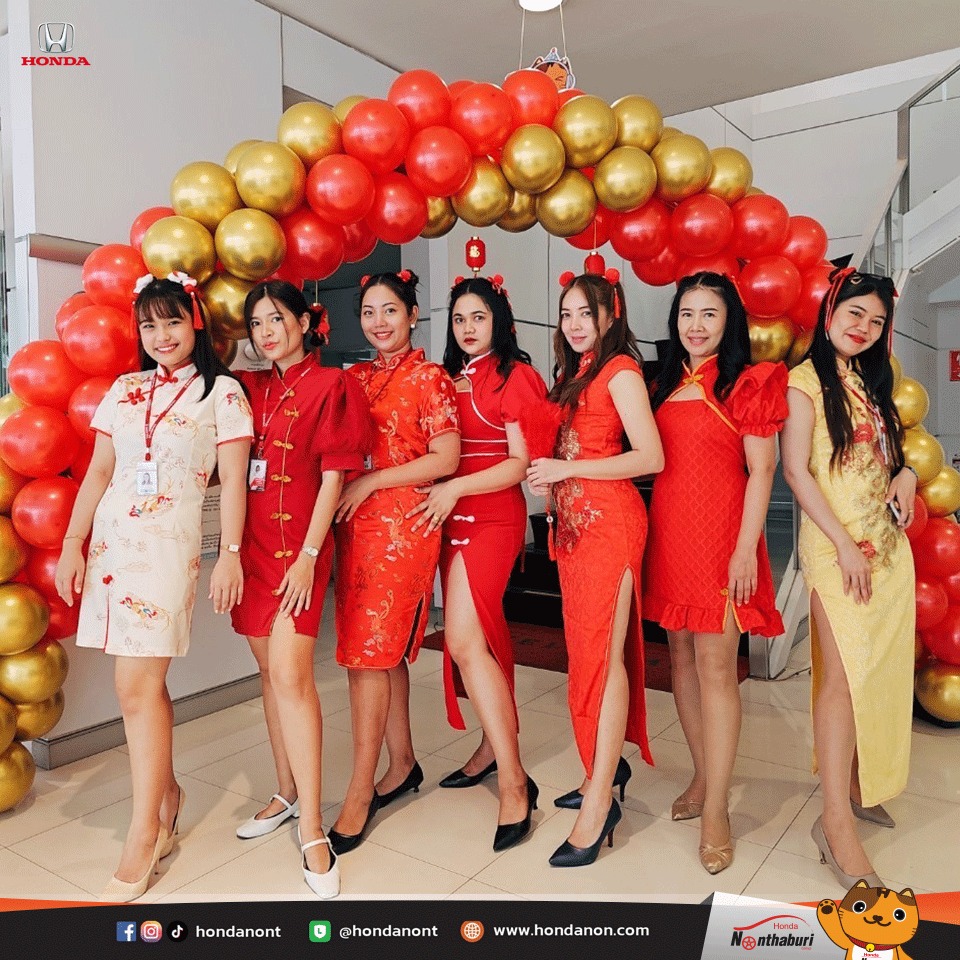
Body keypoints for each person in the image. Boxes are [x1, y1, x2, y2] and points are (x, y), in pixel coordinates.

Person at [54, 274, 253, 902]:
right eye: (149, 325)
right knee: (141, 685)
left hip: (167, 553)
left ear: (195, 322)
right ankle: (166, 797)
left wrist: (231, 556)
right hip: (113, 550)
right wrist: (71, 543)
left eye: (172, 321)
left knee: (135, 687)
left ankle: (145, 832)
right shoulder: (124, 389)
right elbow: (99, 472)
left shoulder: (223, 393)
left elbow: (234, 481)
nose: (161, 336)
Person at [229, 281, 371, 899]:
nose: (267, 333)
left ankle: (312, 826)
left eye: (277, 319)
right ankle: (285, 791)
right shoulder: (247, 388)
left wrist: (311, 557)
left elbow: (335, 478)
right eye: (257, 323)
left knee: (292, 675)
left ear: (305, 323)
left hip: (299, 553)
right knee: (269, 674)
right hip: (252, 552)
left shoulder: (333, 385)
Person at [645, 271, 787, 875]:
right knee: (679, 656)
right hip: (669, 537)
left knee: (716, 668)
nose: (696, 325)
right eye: (687, 313)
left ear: (729, 322)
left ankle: (717, 811)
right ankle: (703, 777)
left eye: (709, 314)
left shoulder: (747, 383)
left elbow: (763, 472)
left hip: (722, 539)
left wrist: (744, 548)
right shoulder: (664, 381)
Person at [408, 274, 555, 851]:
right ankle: (493, 748)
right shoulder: (447, 378)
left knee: (465, 640)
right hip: (450, 518)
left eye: (479, 317)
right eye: (459, 319)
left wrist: (455, 488)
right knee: (486, 641)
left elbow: (520, 463)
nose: (468, 328)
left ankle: (515, 781)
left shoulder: (515, 376)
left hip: (492, 519)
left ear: (499, 321)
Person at [780, 268, 916, 886]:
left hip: (888, 551)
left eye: (877, 321)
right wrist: (843, 546)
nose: (864, 327)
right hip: (838, 553)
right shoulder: (803, 382)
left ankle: (861, 787)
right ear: (830, 311)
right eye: (855, 312)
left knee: (877, 675)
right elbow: (796, 472)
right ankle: (834, 822)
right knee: (839, 680)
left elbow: (890, 458)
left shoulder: (869, 382)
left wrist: (906, 475)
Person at [527, 269, 664, 867]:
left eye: (586, 312)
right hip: (575, 529)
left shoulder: (621, 371)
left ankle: (600, 800)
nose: (575, 324)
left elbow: (650, 456)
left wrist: (567, 471)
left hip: (610, 525)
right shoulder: (576, 373)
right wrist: (550, 472)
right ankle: (599, 772)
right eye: (567, 314)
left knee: (603, 659)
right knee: (587, 657)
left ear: (612, 315)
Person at [331, 269, 460, 855]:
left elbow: (446, 458)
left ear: (412, 315)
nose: (379, 322)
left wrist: (374, 480)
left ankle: (359, 792)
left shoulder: (430, 377)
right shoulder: (353, 377)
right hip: (355, 528)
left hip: (404, 527)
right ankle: (402, 762)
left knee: (368, 656)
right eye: (369, 312)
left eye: (390, 310)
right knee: (374, 653)